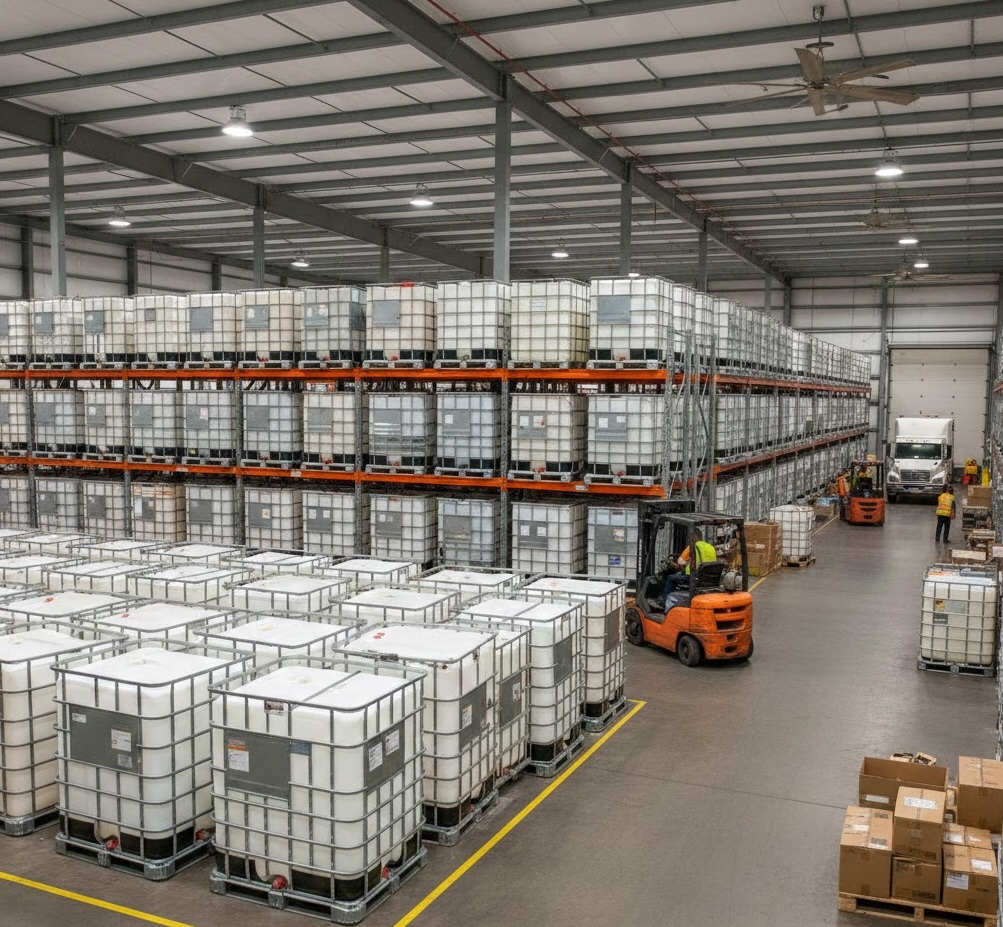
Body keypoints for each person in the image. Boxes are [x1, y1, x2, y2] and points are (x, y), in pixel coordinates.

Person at [662, 528, 718, 599]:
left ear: (694, 536)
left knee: (670, 578)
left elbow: (680, 562)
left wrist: (675, 564)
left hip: (692, 578)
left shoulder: (693, 547)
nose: (690, 539)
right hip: (707, 579)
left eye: (691, 536)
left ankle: (663, 601)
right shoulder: (711, 547)